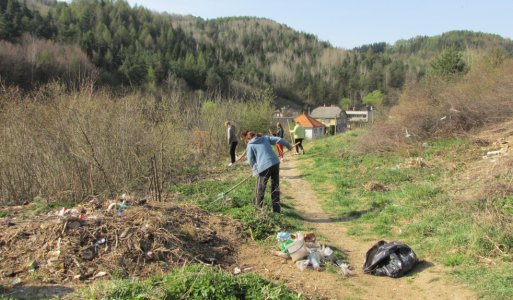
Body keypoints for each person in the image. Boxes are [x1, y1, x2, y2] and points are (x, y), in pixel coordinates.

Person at [245, 131, 292, 213]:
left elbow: (250, 160)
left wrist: (255, 170)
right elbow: (279, 139)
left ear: (248, 139)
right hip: (275, 163)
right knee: (275, 187)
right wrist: (289, 146)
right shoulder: (265, 138)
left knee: (260, 189)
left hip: (264, 167)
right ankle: (276, 211)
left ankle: (258, 210)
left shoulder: (250, 145)